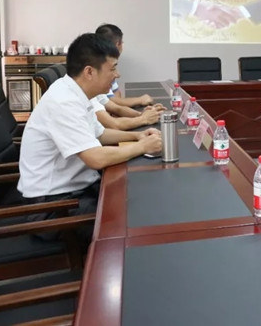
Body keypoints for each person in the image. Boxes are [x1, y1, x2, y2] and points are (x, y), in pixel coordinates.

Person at [18, 33, 162, 241]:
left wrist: (138, 136)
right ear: (89, 72)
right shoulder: (63, 102)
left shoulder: (76, 93)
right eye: (112, 69)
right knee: (135, 218)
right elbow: (95, 158)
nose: (117, 75)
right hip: (51, 207)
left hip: (77, 190)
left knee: (139, 198)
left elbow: (101, 134)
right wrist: (142, 147)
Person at [94, 24, 157, 110]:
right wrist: (140, 100)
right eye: (122, 43)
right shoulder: (100, 65)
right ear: (118, 44)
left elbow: (116, 94)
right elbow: (110, 100)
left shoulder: (106, 62)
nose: (117, 75)